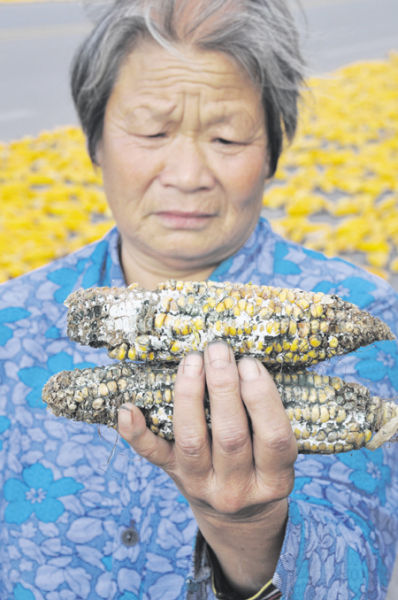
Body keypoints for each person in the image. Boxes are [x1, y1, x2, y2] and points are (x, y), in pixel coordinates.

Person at [1, 1, 397, 598]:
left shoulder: (366, 316)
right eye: (153, 131)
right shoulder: (12, 323)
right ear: (96, 140)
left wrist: (249, 529)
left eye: (227, 136)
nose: (187, 173)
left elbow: (357, 571)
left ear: (271, 153)